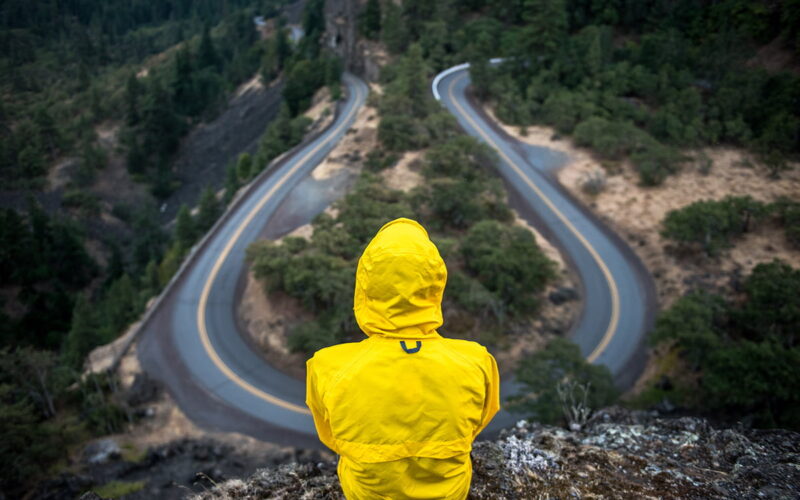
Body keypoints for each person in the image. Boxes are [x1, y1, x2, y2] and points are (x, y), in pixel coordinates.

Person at [306, 218, 500, 499]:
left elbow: (333, 438)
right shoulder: (477, 361)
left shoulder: (326, 366)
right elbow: (478, 424)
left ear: (365, 287)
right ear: (435, 286)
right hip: (451, 492)